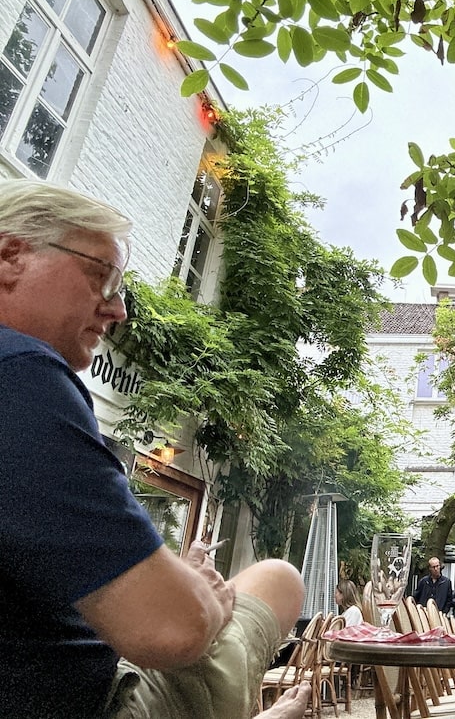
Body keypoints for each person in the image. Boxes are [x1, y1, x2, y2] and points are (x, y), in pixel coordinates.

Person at [0, 180, 307, 718]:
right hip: (90, 701)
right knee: (279, 578)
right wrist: (200, 597)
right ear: (10, 256)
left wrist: (172, 579)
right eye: (102, 276)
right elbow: (170, 630)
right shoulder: (20, 372)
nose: (117, 309)